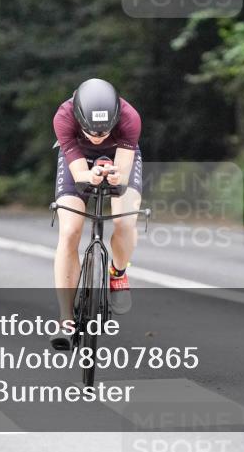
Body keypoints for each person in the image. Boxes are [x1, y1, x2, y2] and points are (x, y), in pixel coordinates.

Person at [49, 78, 143, 351]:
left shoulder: (129, 117)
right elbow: (79, 175)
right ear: (78, 116)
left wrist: (115, 177)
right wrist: (89, 175)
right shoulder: (64, 116)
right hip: (78, 159)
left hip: (121, 157)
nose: (98, 137)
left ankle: (118, 272)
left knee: (125, 221)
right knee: (69, 231)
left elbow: (123, 174)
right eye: (91, 131)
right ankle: (66, 319)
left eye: (104, 131)